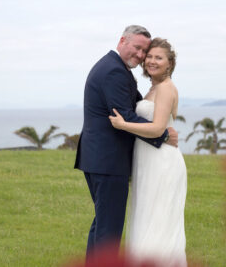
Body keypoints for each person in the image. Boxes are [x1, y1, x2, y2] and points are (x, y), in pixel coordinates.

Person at [74, 25, 178, 259]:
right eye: (138, 48)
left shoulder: (114, 67)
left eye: (145, 51)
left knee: (103, 224)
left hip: (100, 159)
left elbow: (134, 106)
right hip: (108, 161)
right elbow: (124, 116)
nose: (141, 56)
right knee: (109, 230)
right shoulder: (114, 71)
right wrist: (163, 135)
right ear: (123, 41)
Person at [109, 38, 187, 266]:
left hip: (162, 163)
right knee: (145, 219)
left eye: (158, 57)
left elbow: (157, 129)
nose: (152, 61)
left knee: (158, 224)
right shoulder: (153, 87)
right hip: (148, 163)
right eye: (150, 56)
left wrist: (124, 125)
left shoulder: (165, 88)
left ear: (170, 63)